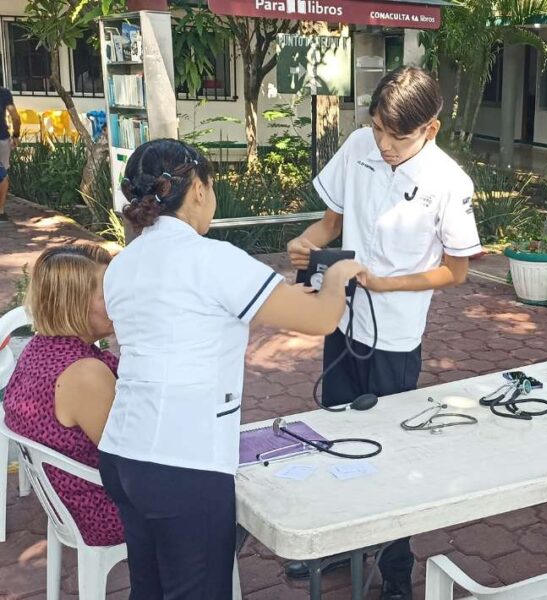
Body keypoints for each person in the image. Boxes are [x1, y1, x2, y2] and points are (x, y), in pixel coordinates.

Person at [97, 139, 366, 599]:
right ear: (198, 189)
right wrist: (338, 276)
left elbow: (188, 316)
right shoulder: (213, 258)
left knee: (150, 588)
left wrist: (281, 296)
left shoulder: (123, 265)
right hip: (182, 464)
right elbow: (323, 319)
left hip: (123, 455)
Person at [284, 67, 481, 598]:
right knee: (336, 437)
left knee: (390, 452)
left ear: (430, 130)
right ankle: (336, 545)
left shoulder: (448, 182)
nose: (385, 144)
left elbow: (457, 271)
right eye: (378, 129)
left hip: (395, 336)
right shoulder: (357, 147)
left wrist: (390, 285)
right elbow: (330, 223)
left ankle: (397, 570)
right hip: (342, 321)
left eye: (399, 136)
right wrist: (305, 243)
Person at [3, 244, 124, 547]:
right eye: (107, 293)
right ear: (76, 304)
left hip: (65, 500)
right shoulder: (84, 374)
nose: (120, 301)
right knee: (219, 495)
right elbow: (134, 460)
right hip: (102, 510)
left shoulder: (39, 348)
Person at [0, 87, 20, 222]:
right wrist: (16, 135)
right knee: (2, 173)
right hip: (2, 138)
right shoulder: (4, 93)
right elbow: (15, 116)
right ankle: (0, 211)